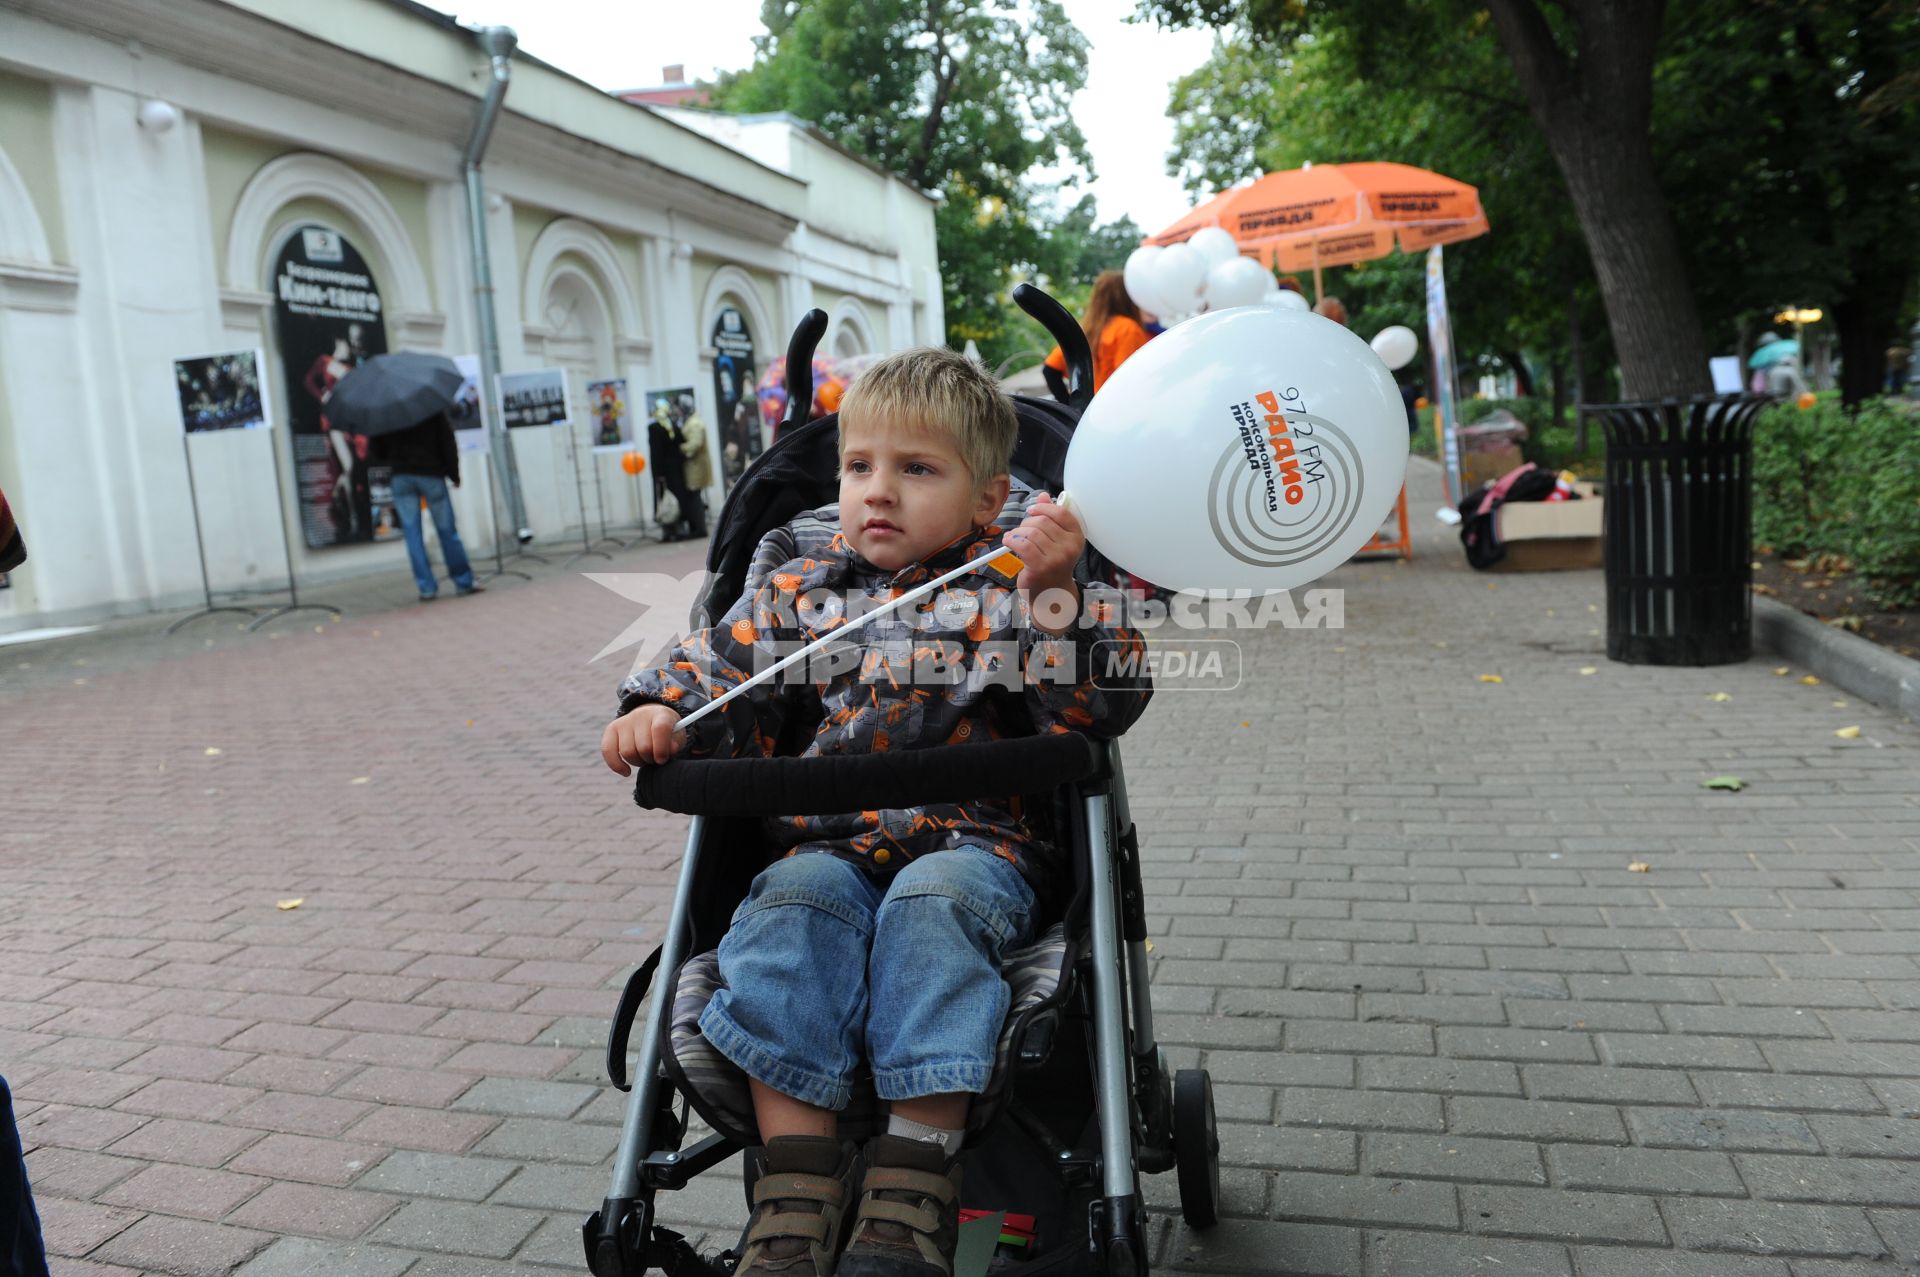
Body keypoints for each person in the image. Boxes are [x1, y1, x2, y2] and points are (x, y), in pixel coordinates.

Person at [600, 347, 1152, 1277]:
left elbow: (1101, 705)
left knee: (931, 912)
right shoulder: (801, 588)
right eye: (860, 468)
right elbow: (718, 670)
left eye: (916, 470)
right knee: (788, 909)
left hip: (976, 847)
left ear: (986, 500)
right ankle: (796, 1186)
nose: (878, 492)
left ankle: (913, 1178)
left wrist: (1059, 596)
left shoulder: (1014, 586)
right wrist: (657, 710)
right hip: (826, 841)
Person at [368, 411, 481, 602]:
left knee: (412, 535)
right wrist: (454, 474)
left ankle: (426, 588)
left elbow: (377, 451)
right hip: (431, 474)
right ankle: (464, 582)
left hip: (401, 477)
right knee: (447, 531)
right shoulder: (431, 409)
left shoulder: (387, 413)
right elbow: (447, 442)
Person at [1042, 269, 1152, 399]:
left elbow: (1049, 370)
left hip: (1090, 410)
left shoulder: (1085, 329)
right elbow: (1129, 380)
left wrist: (1069, 408)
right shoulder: (1127, 329)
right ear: (1128, 295)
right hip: (1115, 409)